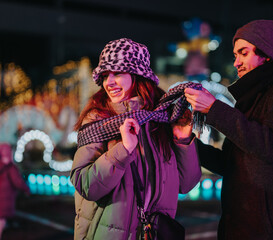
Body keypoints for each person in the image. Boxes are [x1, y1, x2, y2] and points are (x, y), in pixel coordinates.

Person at [185, 19, 273, 239]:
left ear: (267, 54)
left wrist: (214, 109)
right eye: (235, 55)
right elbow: (231, 164)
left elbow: (271, 146)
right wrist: (187, 141)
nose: (236, 63)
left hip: (272, 231)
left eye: (243, 53)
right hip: (238, 226)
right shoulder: (248, 102)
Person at [70, 38, 201, 240]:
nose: (109, 82)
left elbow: (186, 184)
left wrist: (183, 139)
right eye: (105, 76)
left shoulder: (162, 119)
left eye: (118, 73)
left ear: (138, 75)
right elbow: (85, 184)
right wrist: (123, 150)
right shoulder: (98, 120)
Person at [0, 143, 30, 240]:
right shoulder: (10, 167)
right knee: (1, 220)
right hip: (5, 198)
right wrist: (26, 189)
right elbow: (18, 181)